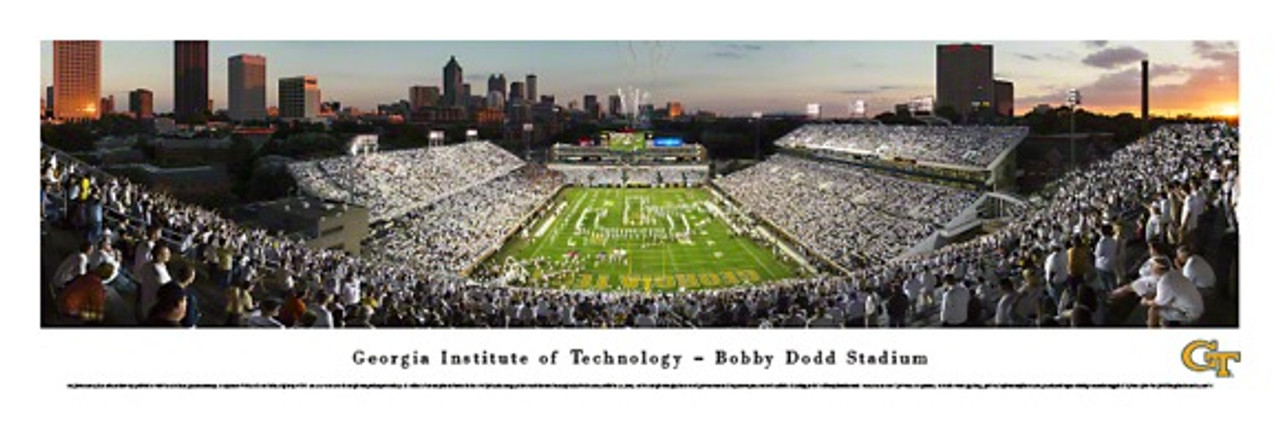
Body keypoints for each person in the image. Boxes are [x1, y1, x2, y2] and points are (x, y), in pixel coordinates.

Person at [1141, 257, 1204, 328]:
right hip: (1197, 307)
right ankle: (1162, 322)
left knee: (1153, 311)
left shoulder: (1165, 282)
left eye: (1152, 266)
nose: (1150, 269)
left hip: (1190, 315)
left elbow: (1156, 304)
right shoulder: (1174, 272)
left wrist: (1146, 301)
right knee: (1163, 301)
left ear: (1158, 269)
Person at [136, 244, 172, 321]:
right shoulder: (160, 274)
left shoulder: (146, 266)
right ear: (159, 256)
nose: (169, 255)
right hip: (154, 310)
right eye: (167, 253)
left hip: (145, 304)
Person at [1094, 224, 1118, 293]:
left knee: (1105, 284)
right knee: (1113, 283)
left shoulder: (1102, 242)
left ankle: (1108, 296)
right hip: (1111, 264)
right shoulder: (1113, 240)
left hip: (1101, 266)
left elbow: (1098, 254)